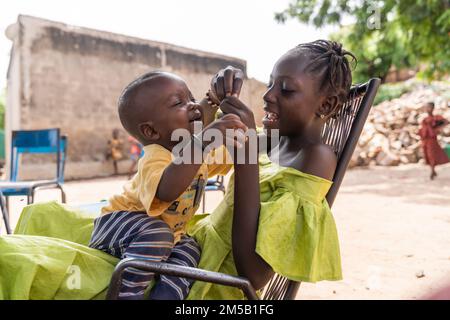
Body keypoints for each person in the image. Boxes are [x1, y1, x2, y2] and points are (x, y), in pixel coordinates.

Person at [187, 40, 355, 299]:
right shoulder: (270, 139)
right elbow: (187, 144)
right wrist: (213, 96)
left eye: (286, 89)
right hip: (191, 255)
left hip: (208, 286)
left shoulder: (315, 159)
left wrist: (246, 157)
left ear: (325, 105)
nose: (267, 96)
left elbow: (254, 275)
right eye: (270, 84)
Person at [90, 71, 247, 299]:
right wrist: (202, 142)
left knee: (190, 250)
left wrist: (261, 135)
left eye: (191, 97)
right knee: (158, 233)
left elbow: (242, 151)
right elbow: (167, 190)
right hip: (116, 225)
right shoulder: (156, 157)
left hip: (168, 234)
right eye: (179, 103)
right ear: (152, 131)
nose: (194, 106)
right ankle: (125, 295)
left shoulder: (198, 153)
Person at [418, 102, 449, 180]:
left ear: (432, 108)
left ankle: (432, 171)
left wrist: (437, 129)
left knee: (432, 155)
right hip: (425, 140)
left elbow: (446, 122)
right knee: (427, 155)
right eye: (426, 107)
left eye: (428, 107)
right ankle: (433, 170)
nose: (427, 109)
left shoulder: (436, 118)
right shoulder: (425, 119)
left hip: (432, 140)